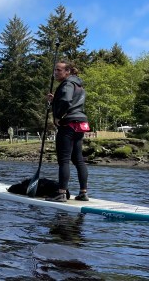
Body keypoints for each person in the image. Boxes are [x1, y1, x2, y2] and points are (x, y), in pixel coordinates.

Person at [45, 60, 90, 202]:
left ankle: (61, 193)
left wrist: (58, 116)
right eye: (55, 70)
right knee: (78, 159)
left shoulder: (67, 84)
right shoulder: (78, 85)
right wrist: (54, 100)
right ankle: (83, 193)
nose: (56, 72)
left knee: (64, 160)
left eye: (59, 70)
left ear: (67, 72)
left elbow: (66, 101)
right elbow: (71, 101)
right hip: (80, 124)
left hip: (68, 124)